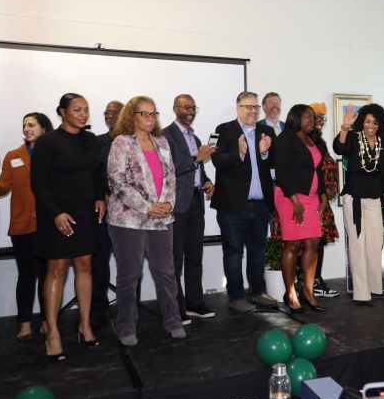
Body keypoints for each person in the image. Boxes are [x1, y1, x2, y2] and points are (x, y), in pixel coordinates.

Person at [31, 93, 106, 360]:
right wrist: (55, 213)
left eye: (86, 109)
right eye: (77, 109)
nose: (84, 114)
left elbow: (98, 172)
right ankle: (52, 333)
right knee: (57, 268)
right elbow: (37, 182)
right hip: (57, 214)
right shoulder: (47, 142)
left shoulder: (91, 139)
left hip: (85, 213)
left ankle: (84, 325)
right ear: (62, 112)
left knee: (85, 264)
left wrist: (99, 196)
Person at [107, 96, 185, 346]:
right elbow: (117, 182)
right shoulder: (121, 142)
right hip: (129, 220)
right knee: (129, 275)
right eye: (145, 114)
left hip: (161, 218)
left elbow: (171, 178)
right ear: (132, 116)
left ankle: (173, 320)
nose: (151, 118)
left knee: (166, 272)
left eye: (154, 114)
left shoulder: (161, 142)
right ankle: (126, 326)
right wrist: (148, 207)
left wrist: (168, 204)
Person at [0, 112, 54, 342]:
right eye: (24, 125)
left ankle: (46, 322)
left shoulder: (54, 154)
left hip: (49, 226)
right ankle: (24, 324)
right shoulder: (13, 156)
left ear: (44, 128)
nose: (27, 129)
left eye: (32, 125)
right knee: (26, 276)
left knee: (47, 277)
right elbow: (3, 187)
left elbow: (60, 188)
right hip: (23, 226)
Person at [211, 91, 277, 313]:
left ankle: (258, 292)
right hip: (232, 206)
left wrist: (265, 154)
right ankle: (236, 297)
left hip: (260, 205)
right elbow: (216, 160)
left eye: (255, 107)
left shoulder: (267, 131)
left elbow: (276, 160)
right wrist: (239, 154)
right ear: (237, 108)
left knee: (258, 251)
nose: (253, 111)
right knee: (234, 253)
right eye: (248, 106)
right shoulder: (222, 130)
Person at [333, 103, 384, 305]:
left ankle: (374, 287)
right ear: (362, 122)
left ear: (380, 124)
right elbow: (339, 148)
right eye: (367, 121)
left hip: (374, 199)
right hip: (354, 199)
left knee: (374, 243)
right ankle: (361, 293)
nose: (371, 126)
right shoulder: (353, 138)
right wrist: (345, 127)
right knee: (357, 245)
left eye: (375, 122)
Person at [163, 94, 216, 322]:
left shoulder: (195, 137)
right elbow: (167, 170)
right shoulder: (165, 136)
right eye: (186, 107)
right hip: (176, 203)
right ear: (175, 108)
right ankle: (176, 308)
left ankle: (195, 303)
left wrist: (206, 181)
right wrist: (196, 158)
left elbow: (197, 170)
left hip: (195, 201)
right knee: (175, 259)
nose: (190, 111)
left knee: (195, 256)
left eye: (193, 107)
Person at [274, 104, 329, 313]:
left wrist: (323, 195)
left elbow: (317, 171)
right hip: (290, 197)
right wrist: (295, 201)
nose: (311, 121)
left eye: (313, 117)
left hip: (312, 198)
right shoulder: (285, 139)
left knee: (313, 242)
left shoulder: (311, 139)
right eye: (308, 117)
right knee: (293, 244)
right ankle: (290, 294)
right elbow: (282, 173)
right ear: (296, 118)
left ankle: (308, 290)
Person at [90, 100, 123, 330]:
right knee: (99, 264)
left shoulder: (134, 141)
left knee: (129, 265)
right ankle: (97, 310)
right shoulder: (96, 142)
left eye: (114, 113)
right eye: (106, 113)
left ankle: (128, 310)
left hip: (129, 214)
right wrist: (100, 193)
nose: (109, 116)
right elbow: (91, 173)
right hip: (103, 214)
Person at [309, 103, 340, 298]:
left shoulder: (320, 141)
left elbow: (327, 168)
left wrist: (332, 188)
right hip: (310, 200)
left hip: (322, 201)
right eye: (317, 117)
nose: (320, 121)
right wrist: (323, 190)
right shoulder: (304, 141)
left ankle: (316, 281)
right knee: (309, 244)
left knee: (318, 242)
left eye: (322, 118)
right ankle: (309, 283)